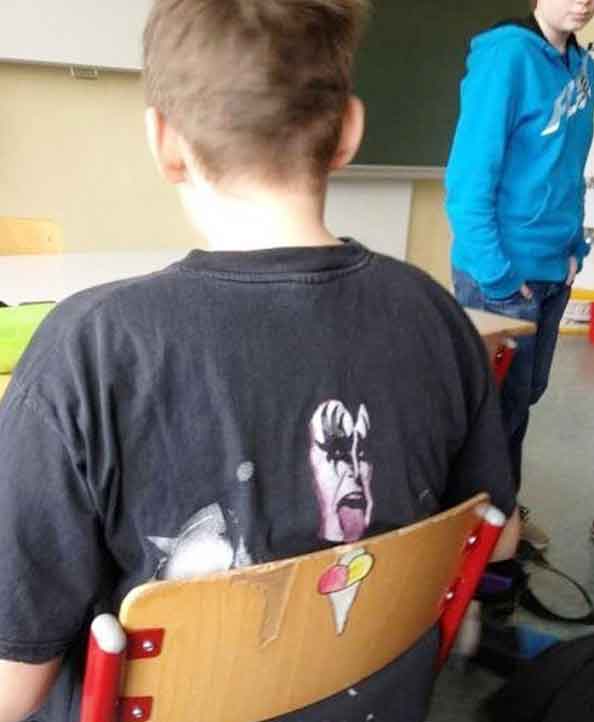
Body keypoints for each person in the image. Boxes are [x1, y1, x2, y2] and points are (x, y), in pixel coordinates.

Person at [0, 2, 519, 721]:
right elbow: (497, 537)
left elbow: (13, 688)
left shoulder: (86, 352)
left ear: (163, 141)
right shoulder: (435, 314)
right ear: (349, 131)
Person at [445, 0, 594, 550]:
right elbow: (468, 180)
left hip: (554, 269)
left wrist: (576, 247)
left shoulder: (583, 68)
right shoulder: (506, 57)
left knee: (521, 401)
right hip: (504, 275)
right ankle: (477, 538)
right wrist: (498, 275)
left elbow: (567, 169)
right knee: (492, 414)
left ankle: (499, 517)